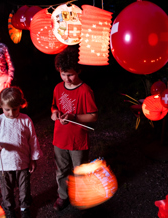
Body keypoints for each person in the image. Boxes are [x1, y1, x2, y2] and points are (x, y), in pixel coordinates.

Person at [50, 45, 98, 211]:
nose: (66, 78)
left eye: (70, 74)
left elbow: (93, 116)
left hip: (78, 140)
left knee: (79, 170)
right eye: (63, 74)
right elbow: (54, 107)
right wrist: (54, 113)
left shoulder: (85, 91)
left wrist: (74, 117)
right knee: (61, 171)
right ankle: (63, 196)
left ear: (78, 71)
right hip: (60, 139)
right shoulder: (57, 88)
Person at [0, 87, 42, 218]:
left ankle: (24, 208)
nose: (10, 113)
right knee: (6, 189)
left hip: (22, 161)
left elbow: (33, 140)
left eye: (14, 109)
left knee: (24, 187)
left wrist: (33, 159)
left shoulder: (26, 120)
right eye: (6, 109)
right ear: (1, 106)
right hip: (4, 163)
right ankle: (9, 209)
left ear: (20, 105)